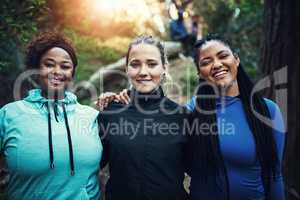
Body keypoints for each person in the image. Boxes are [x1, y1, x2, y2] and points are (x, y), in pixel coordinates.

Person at [99, 33, 286, 200]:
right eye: (206, 62)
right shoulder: (192, 112)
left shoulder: (267, 111)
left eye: (223, 56)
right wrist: (117, 99)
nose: (217, 64)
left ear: (236, 59)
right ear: (199, 72)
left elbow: (275, 175)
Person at [0, 32, 102, 199]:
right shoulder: (9, 114)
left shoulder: (91, 117)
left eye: (65, 66)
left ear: (72, 72)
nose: (57, 71)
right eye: (49, 64)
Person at [98, 35, 189, 200]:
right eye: (135, 64)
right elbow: (89, 166)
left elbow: (200, 171)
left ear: (164, 68)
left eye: (152, 64)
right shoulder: (109, 113)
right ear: (126, 69)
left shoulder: (181, 116)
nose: (143, 72)